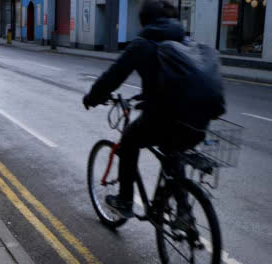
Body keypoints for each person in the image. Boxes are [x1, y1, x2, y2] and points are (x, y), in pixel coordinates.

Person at [83, 0, 209, 218]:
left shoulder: (143, 43)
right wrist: (148, 95)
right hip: (197, 119)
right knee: (173, 150)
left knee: (129, 141)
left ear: (143, 21)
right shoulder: (185, 39)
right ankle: (183, 211)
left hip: (164, 118)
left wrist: (93, 97)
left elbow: (113, 76)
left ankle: (124, 201)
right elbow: (175, 80)